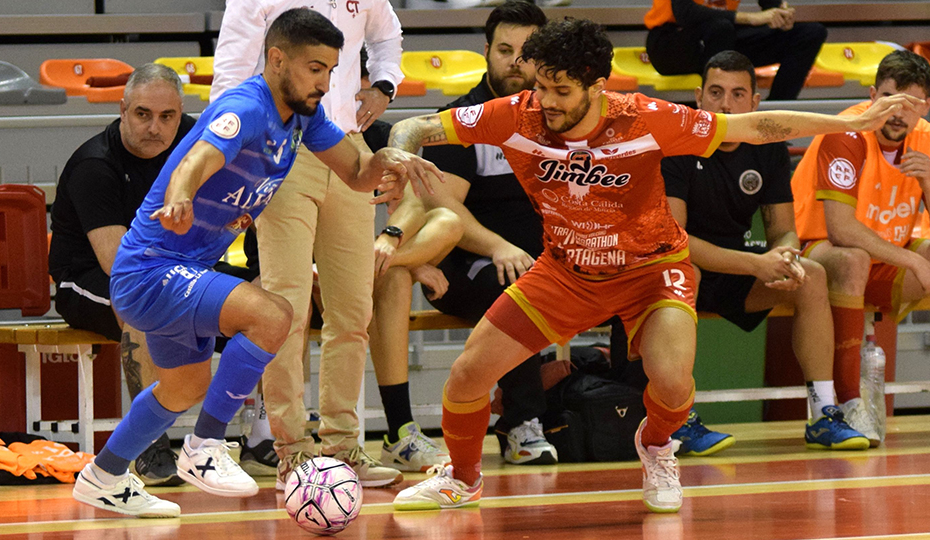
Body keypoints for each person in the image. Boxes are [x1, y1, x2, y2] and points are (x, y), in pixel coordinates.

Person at [384, 17, 922, 514]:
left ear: (596, 86)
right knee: (467, 375)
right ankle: (462, 476)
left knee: (670, 381)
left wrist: (842, 119)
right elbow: (418, 128)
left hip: (652, 271)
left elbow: (757, 127)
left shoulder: (646, 117)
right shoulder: (515, 114)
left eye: (560, 91)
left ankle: (657, 445)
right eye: (540, 85)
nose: (544, 100)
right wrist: (401, 152)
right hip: (566, 272)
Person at [71, 8, 438, 518]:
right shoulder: (245, 106)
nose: (325, 82)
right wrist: (179, 194)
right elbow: (200, 156)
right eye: (314, 68)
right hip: (150, 268)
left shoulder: (305, 118)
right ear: (276, 58)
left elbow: (356, 174)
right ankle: (206, 447)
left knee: (185, 386)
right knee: (272, 314)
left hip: (185, 268)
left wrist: (390, 160)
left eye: (332, 70)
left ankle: (103, 475)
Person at [211, 0, 410, 487]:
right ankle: (292, 451)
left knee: (353, 310)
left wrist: (384, 84)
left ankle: (343, 447)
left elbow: (388, 36)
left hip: (347, 148)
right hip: (281, 151)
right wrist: (244, 159)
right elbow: (229, 79)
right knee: (287, 309)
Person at [370, 0, 558, 469]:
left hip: (542, 259)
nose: (515, 62)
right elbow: (441, 205)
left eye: (526, 51)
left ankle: (619, 414)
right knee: (518, 286)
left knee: (627, 278)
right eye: (504, 49)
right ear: (486, 52)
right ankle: (520, 424)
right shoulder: (463, 119)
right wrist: (499, 246)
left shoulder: (558, 115)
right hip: (467, 264)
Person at [662, 50, 869, 455]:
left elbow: (782, 230)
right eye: (716, 92)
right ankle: (678, 419)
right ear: (698, 97)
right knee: (686, 272)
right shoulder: (676, 145)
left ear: (755, 104)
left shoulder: (768, 147)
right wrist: (757, 263)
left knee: (810, 276)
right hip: (679, 267)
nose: (726, 104)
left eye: (738, 95)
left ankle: (823, 414)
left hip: (740, 267)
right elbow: (676, 240)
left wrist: (786, 256)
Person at [49, 63, 196, 488]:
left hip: (167, 269)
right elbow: (118, 264)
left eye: (167, 117)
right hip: (87, 279)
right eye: (142, 115)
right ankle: (150, 446)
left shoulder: (193, 143)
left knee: (257, 296)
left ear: (180, 113)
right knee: (139, 303)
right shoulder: (96, 165)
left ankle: (258, 438)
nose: (155, 128)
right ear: (122, 109)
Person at [792, 49, 930, 446]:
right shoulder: (847, 131)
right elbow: (840, 230)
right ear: (872, 96)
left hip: (884, 255)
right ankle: (850, 403)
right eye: (890, 100)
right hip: (815, 250)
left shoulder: (924, 138)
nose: (899, 113)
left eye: (912, 104)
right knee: (853, 259)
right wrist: (908, 258)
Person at [643, 0, 827, 101]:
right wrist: (750, 18)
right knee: (721, 28)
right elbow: (685, 13)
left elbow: (770, 2)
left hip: (722, 38)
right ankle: (718, 116)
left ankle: (774, 114)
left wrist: (780, 11)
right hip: (670, 42)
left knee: (811, 33)